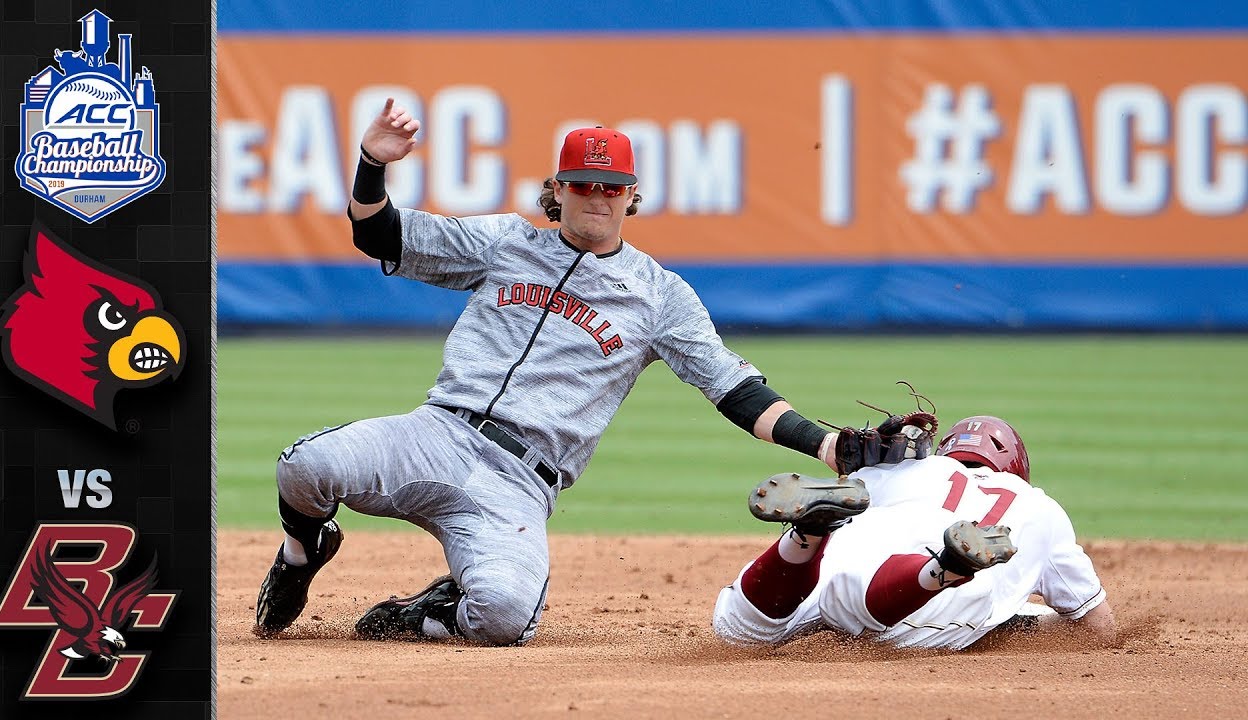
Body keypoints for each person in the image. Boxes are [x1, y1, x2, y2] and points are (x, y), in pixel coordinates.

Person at [252, 100, 920, 646]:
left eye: (611, 186)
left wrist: (827, 445)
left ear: (631, 197)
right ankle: (302, 555)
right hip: (437, 435)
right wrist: (372, 165)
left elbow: (734, 388)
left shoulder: (659, 295)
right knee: (302, 467)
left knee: (503, 618)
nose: (595, 197)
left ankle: (428, 613)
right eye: (581, 184)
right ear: (558, 190)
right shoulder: (506, 242)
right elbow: (379, 235)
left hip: (518, 484)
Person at [712, 415, 1116, 650]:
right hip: (911, 596)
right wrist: (1016, 622)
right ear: (1015, 468)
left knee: (737, 631)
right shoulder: (1038, 506)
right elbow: (1097, 627)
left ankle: (804, 536)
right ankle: (944, 568)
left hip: (842, 557)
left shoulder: (904, 466)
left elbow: (857, 490)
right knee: (878, 623)